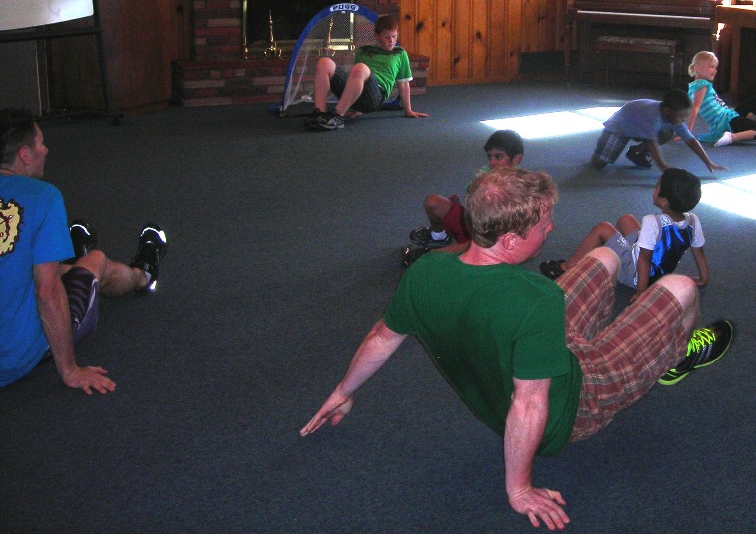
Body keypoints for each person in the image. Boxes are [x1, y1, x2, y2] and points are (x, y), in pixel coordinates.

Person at [301, 167, 732, 530]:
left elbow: (382, 336)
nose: (552, 229)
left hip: (527, 359)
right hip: (573, 404)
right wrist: (519, 488)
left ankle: (622, 343)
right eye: (544, 225)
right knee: (679, 288)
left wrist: (343, 391)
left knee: (605, 259)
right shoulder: (535, 298)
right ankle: (674, 357)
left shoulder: (427, 271)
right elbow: (528, 406)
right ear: (509, 241)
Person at [0, 108, 167, 392]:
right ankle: (144, 275)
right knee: (96, 261)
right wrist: (69, 370)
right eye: (41, 143)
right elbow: (46, 291)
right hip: (16, 358)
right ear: (25, 155)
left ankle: (69, 255)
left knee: (35, 264)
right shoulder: (44, 196)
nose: (46, 149)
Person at [538, 167, 709, 296]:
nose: (654, 188)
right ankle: (612, 253)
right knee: (626, 219)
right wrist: (703, 278)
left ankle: (567, 267)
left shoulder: (652, 221)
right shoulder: (693, 220)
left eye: (657, 186)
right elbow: (699, 251)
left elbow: (644, 258)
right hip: (659, 273)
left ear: (664, 201)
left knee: (603, 228)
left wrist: (641, 291)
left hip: (635, 274)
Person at [407, 129, 525, 253]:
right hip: (472, 223)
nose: (492, 162)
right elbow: (470, 191)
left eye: (498, 157)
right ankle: (439, 237)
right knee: (432, 201)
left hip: (492, 237)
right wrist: (482, 182)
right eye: (490, 157)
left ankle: (433, 255)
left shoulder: (521, 182)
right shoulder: (486, 170)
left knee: (471, 249)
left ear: (516, 159)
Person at [305, 14, 428, 131]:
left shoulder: (399, 54)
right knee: (324, 62)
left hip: (376, 96)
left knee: (360, 68)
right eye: (387, 37)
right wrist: (358, 109)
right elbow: (355, 80)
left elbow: (404, 84)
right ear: (376, 35)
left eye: (394, 36)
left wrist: (408, 110)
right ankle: (319, 114)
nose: (392, 41)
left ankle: (337, 116)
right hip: (359, 95)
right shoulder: (363, 51)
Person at [590, 89, 726, 174]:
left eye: (685, 116)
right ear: (667, 111)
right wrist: (663, 167)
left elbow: (691, 141)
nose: (683, 120)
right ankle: (601, 147)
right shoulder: (653, 116)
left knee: (668, 133)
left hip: (638, 129)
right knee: (598, 164)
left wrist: (708, 162)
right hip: (620, 128)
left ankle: (635, 151)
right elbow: (652, 142)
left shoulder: (673, 117)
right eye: (681, 116)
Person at [686, 50, 756, 147]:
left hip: (728, 115)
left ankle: (741, 129)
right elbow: (695, 108)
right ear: (698, 67)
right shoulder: (702, 85)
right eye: (711, 67)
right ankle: (731, 136)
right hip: (726, 121)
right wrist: (688, 131)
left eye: (715, 67)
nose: (715, 70)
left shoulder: (697, 85)